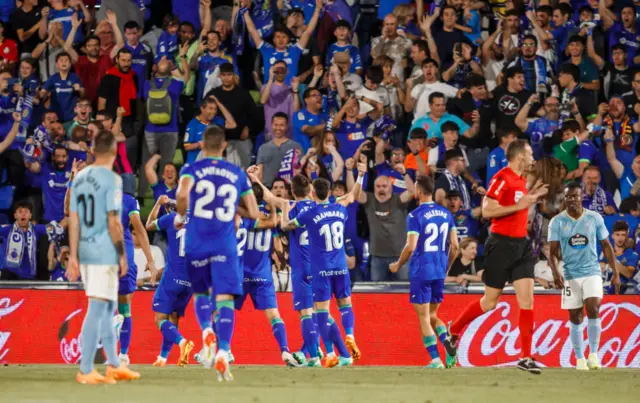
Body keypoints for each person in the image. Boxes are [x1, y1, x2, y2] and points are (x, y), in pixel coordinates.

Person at [444, 139, 549, 374]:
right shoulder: (502, 178)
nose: (533, 157)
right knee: (489, 302)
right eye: (530, 153)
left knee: (527, 301)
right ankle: (454, 331)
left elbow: (518, 205)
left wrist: (531, 198)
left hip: (521, 246)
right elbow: (488, 210)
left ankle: (525, 356)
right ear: (520, 156)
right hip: (500, 245)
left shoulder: (521, 181)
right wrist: (523, 203)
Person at [175, 125, 259, 381]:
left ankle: (206, 330)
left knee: (201, 292)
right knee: (225, 299)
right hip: (225, 245)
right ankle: (223, 351)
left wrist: (181, 215)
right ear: (224, 146)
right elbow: (254, 213)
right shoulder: (236, 173)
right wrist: (236, 210)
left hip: (197, 243)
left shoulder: (191, 169)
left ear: (202, 144)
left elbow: (181, 194)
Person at [66, 130, 139, 384]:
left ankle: (115, 365)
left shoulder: (80, 178)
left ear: (94, 150)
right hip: (102, 250)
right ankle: (85, 369)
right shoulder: (112, 180)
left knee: (108, 308)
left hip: (86, 249)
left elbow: (72, 217)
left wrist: (73, 255)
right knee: (98, 307)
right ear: (114, 152)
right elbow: (113, 221)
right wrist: (121, 254)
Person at [281, 162, 367, 367]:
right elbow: (353, 195)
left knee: (321, 311)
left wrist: (285, 209)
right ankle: (350, 336)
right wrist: (360, 175)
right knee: (345, 305)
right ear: (330, 191)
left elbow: (287, 226)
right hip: (341, 266)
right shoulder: (339, 207)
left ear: (312, 193)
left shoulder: (308, 214)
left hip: (319, 268)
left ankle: (327, 353)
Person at [249, 173, 322, 367]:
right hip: (320, 264)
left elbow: (269, 198)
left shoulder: (291, 206)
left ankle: (314, 356)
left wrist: (256, 178)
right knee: (319, 310)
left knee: (305, 312)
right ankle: (313, 349)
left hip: (302, 266)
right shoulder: (319, 207)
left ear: (291, 192)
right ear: (311, 191)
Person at [547, 182, 619, 371]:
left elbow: (606, 245)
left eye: (575, 196)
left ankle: (594, 355)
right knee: (575, 315)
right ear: (565, 198)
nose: (572, 199)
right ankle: (580, 359)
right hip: (570, 274)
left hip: (592, 271)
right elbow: (553, 251)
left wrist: (616, 273)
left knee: (593, 307)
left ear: (581, 197)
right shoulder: (557, 221)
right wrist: (556, 273)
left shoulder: (594, 218)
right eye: (568, 196)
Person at [389, 175, 458, 368]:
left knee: (424, 318)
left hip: (421, 271)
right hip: (438, 270)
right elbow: (455, 245)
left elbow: (411, 247)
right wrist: (447, 267)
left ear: (418, 191)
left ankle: (435, 360)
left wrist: (398, 265)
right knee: (433, 315)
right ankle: (447, 342)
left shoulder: (415, 215)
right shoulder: (446, 214)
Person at [234, 185, 298, 367]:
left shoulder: (241, 218)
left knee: (223, 310)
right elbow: (274, 222)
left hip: (239, 274)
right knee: (274, 315)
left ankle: (222, 350)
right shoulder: (269, 215)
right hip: (262, 274)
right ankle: (285, 350)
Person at [145, 196, 194, 367]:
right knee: (174, 316)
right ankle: (163, 357)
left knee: (160, 318)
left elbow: (148, 225)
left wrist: (158, 203)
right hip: (191, 281)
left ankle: (182, 343)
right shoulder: (200, 221)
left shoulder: (171, 218)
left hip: (172, 277)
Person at [117, 191, 157, 366]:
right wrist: (151, 261)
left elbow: (69, 211)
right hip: (125, 263)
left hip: (109, 263)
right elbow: (140, 229)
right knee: (125, 308)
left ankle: (113, 328)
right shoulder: (128, 202)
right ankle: (123, 355)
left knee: (115, 307)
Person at [0, 200, 50, 280]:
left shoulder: (36, 229)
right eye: (20, 212)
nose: (23, 214)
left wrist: (68, 220)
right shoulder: (7, 229)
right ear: (15, 215)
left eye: (26, 211)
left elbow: (55, 229)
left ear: (30, 215)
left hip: (28, 276)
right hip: (10, 274)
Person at [256, 113, 303, 187]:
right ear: (271, 125)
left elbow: (299, 170)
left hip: (289, 189)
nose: (278, 128)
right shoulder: (263, 148)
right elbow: (259, 173)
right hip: (268, 189)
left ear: (287, 126)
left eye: (281, 125)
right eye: (276, 125)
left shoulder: (296, 146)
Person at [40, 52, 84, 123]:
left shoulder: (75, 77)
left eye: (66, 60)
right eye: (61, 60)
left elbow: (83, 96)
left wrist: (80, 90)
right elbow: (42, 93)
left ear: (70, 64)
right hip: (56, 117)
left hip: (72, 116)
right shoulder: (53, 78)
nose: (64, 62)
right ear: (57, 64)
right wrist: (41, 94)